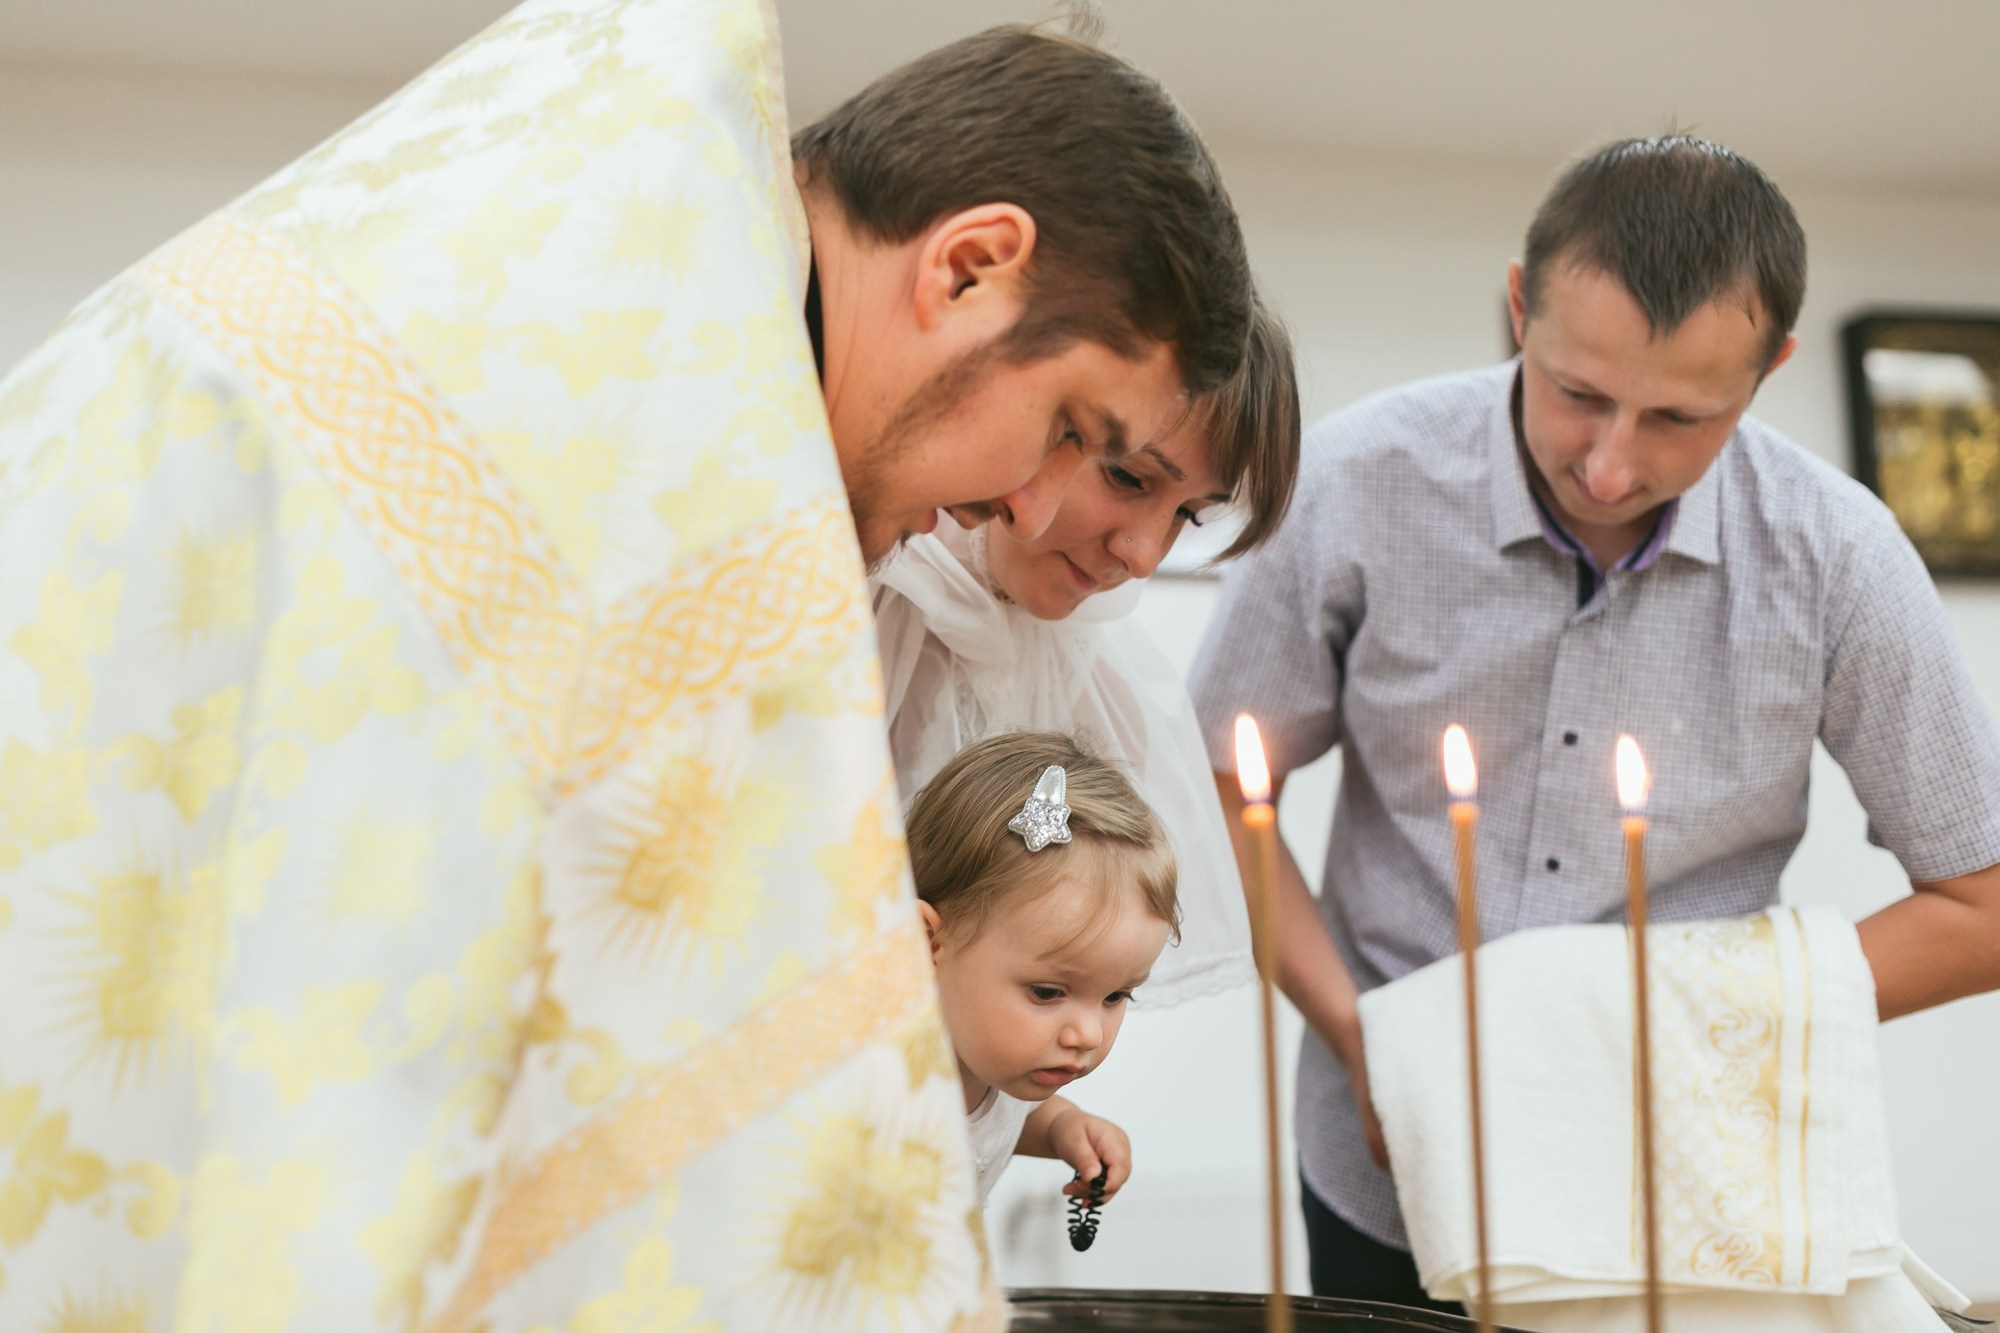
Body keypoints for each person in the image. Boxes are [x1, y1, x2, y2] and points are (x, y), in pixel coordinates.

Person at [0, 3, 1252, 1328]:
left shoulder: (628, 292)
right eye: (1070, 431)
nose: (1035, 505)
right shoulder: (623, 412)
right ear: (968, 269)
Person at [1191, 135, 2000, 1311]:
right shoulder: (1355, 481)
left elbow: (1982, 898)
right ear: (1520, 308)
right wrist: (1362, 1033)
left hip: (1677, 1181)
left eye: (1676, 417)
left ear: (1766, 370)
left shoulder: (1838, 557)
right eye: (1576, 395)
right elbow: (1219, 779)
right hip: (1384, 1150)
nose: (1611, 467)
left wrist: (1695, 1025)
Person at [875, 304, 1299, 1004]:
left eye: (1188, 516)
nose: (1141, 556)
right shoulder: (857, 589)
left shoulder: (1099, 678)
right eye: (1129, 479)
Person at [906, 731, 1178, 1210]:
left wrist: (1060, 1128)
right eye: (1049, 992)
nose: (1088, 1034)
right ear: (928, 943)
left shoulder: (997, 1062)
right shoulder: (872, 1083)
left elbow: (1002, 1115)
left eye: (1116, 996)